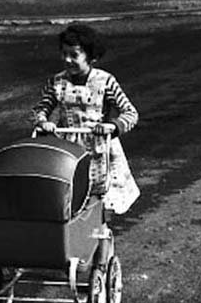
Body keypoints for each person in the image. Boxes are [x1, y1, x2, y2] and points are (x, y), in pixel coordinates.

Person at [31, 22, 140, 214]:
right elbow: (39, 109)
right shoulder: (57, 82)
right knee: (68, 201)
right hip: (68, 151)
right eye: (64, 54)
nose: (68, 60)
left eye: (74, 55)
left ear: (91, 57)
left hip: (100, 150)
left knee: (100, 206)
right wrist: (43, 122)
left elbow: (130, 113)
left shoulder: (105, 81)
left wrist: (112, 126)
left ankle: (102, 238)